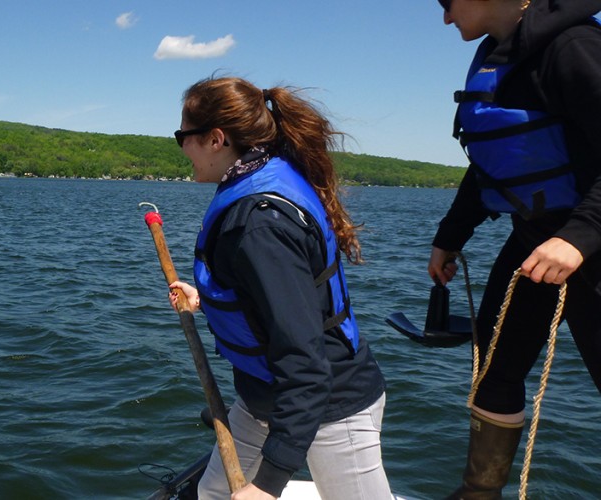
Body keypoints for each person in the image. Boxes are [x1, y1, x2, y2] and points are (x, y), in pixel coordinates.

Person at [167, 76, 391, 500]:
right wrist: (208, 299)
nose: (181, 148)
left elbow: (305, 364)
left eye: (183, 136)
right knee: (212, 494)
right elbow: (272, 298)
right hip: (261, 398)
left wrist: (268, 487)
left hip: (328, 405)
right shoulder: (263, 177)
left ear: (216, 139)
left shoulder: (258, 224)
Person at [427, 0, 601, 498]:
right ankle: (479, 492)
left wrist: (577, 238)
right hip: (533, 242)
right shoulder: (500, 57)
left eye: (447, 2)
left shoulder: (574, 48)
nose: (444, 17)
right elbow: (497, 154)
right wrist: (450, 236)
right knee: (495, 371)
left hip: (589, 244)